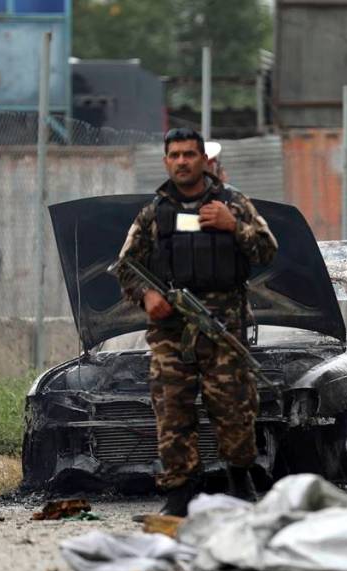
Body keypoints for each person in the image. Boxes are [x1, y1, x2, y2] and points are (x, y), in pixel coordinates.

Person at [116, 128, 278, 516]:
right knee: (172, 412)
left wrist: (233, 227)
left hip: (223, 329)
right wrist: (147, 295)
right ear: (166, 161)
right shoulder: (155, 212)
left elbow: (268, 250)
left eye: (190, 154)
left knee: (235, 409)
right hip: (172, 332)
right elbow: (126, 266)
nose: (182, 162)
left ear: (205, 160)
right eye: (175, 155)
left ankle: (240, 480)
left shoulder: (233, 203)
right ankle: (180, 491)